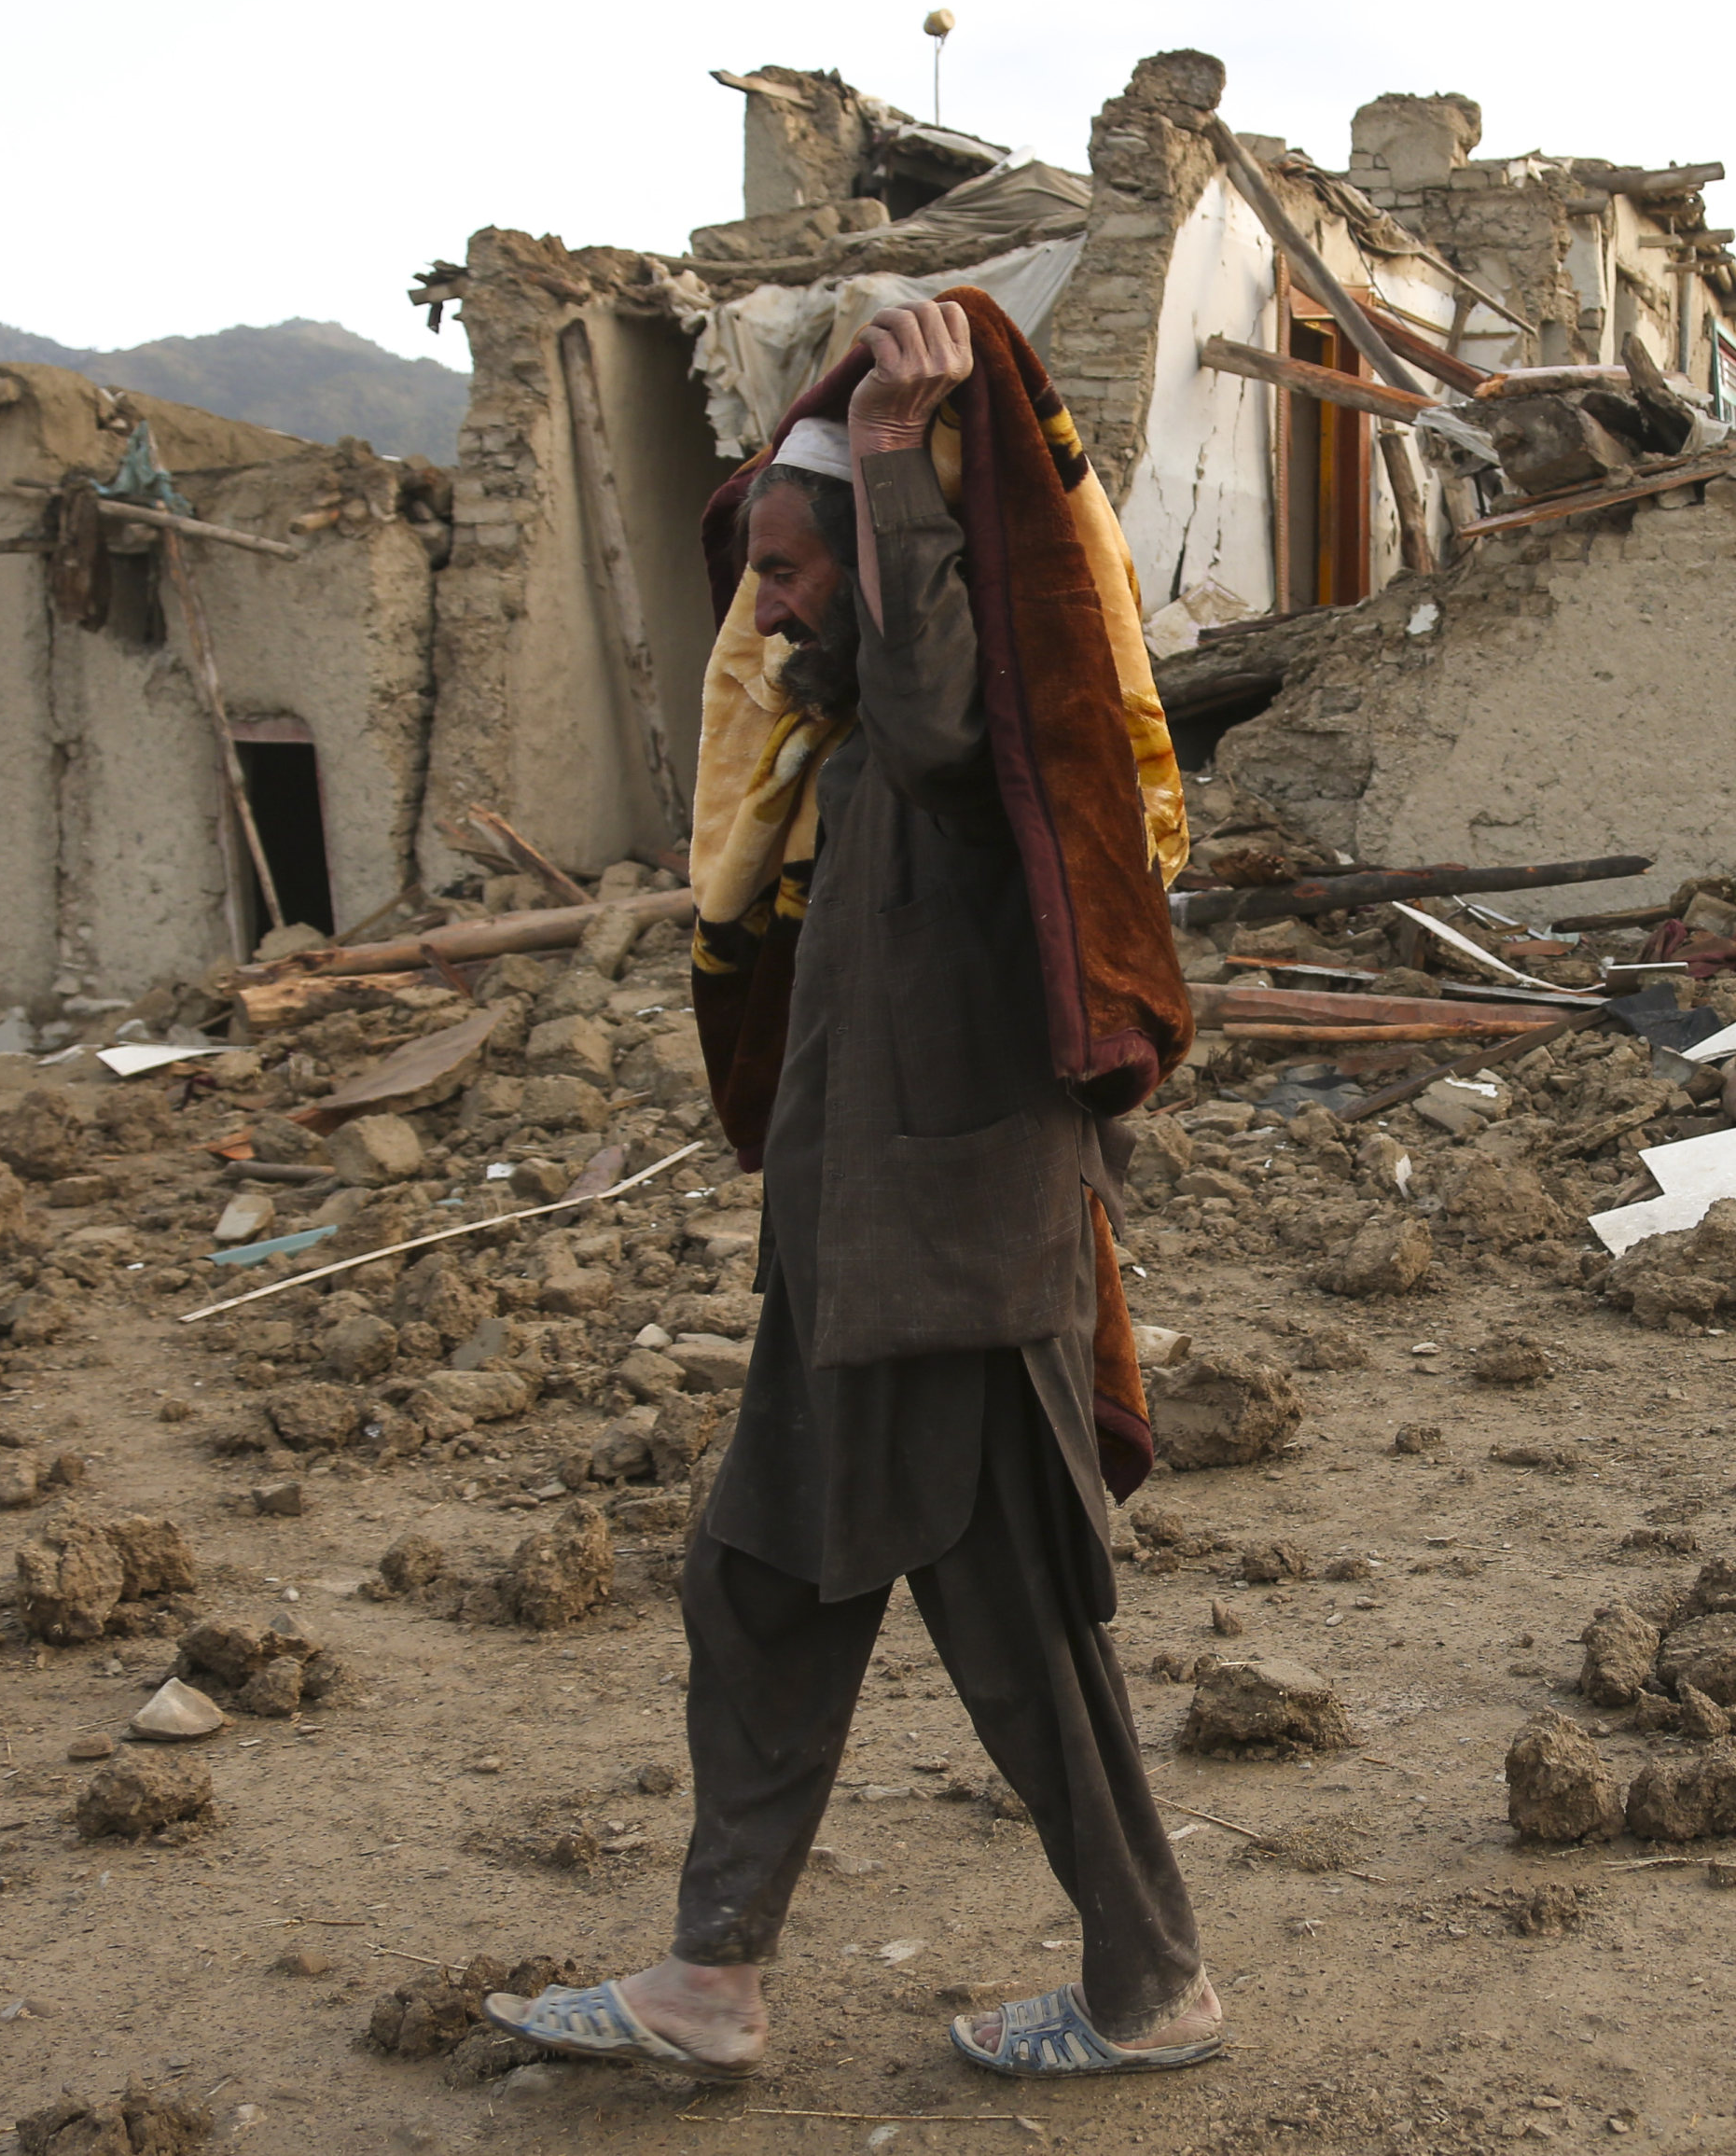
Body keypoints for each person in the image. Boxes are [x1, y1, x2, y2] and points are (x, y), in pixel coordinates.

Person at [488, 299, 1219, 2081]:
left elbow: (945, 693)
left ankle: (1146, 1986)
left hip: (951, 1265)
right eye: (766, 573)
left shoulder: (961, 757)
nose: (776, 604)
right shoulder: (850, 769)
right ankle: (713, 1977)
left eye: (800, 571)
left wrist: (893, 455)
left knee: (1010, 1634)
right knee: (768, 1590)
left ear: (894, 576)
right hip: (869, 1260)